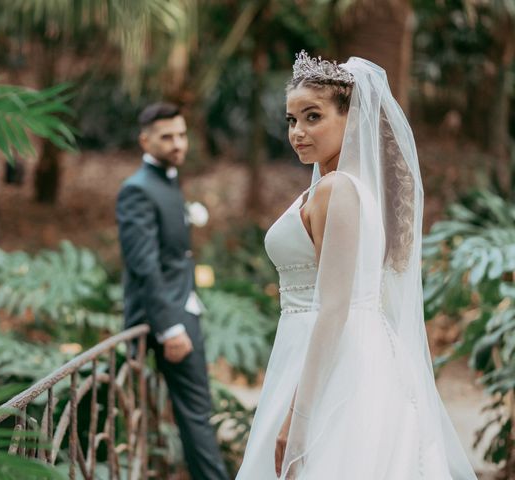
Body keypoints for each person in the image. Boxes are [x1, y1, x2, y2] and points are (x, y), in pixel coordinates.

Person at [236, 51, 477, 479]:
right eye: (291, 120)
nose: (298, 132)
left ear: (350, 118)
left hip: (335, 362)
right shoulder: (346, 189)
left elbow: (333, 308)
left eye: (313, 117)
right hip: (336, 351)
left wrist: (299, 419)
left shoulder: (338, 191)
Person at [116, 102, 229, 480]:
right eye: (167, 137)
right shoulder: (137, 190)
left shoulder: (167, 179)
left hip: (181, 307)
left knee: (196, 412)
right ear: (144, 140)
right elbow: (144, 265)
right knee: (197, 414)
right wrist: (170, 328)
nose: (178, 143)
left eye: (182, 135)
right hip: (168, 320)